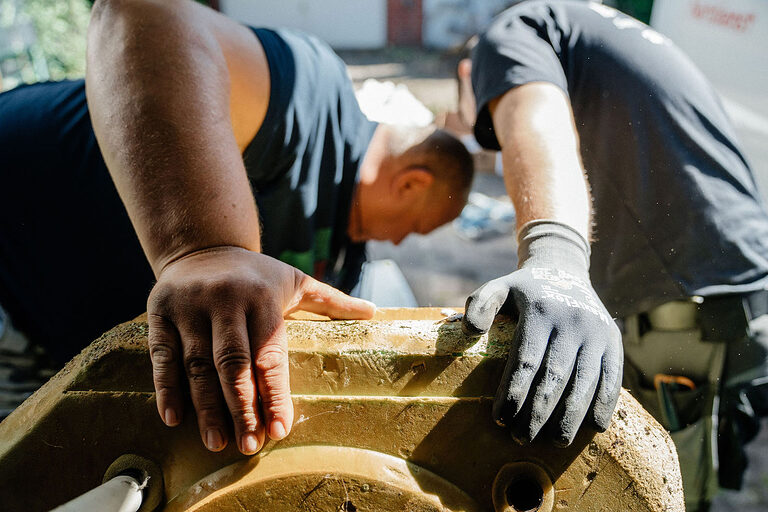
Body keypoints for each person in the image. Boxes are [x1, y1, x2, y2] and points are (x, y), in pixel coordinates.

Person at [0, 0, 473, 455]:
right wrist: (202, 250)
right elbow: (139, 12)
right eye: (410, 228)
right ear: (412, 184)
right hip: (12, 267)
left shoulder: (348, 260)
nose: (394, 242)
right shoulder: (312, 99)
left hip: (70, 338)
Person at [456, 1, 768, 510]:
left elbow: (538, 124)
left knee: (659, 489)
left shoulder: (513, 31)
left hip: (688, 295)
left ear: (471, 74)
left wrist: (554, 256)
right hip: (723, 271)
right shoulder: (599, 32)